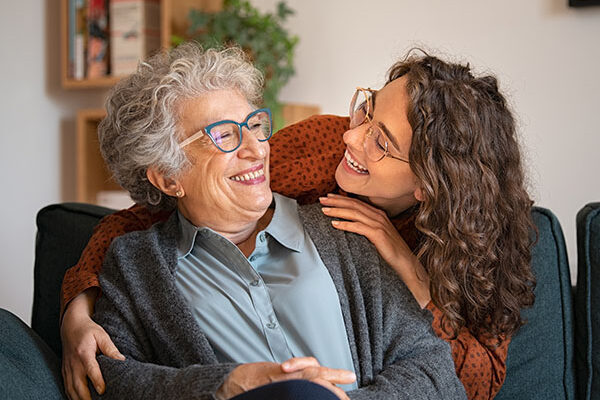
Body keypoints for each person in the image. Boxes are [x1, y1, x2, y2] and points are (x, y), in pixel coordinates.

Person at [60, 49, 534, 400]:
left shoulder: (358, 240)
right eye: (225, 134)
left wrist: (409, 272)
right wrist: (76, 308)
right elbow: (140, 220)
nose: (256, 147)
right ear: (167, 175)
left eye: (381, 142)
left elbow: (452, 376)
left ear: (427, 186)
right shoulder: (321, 155)